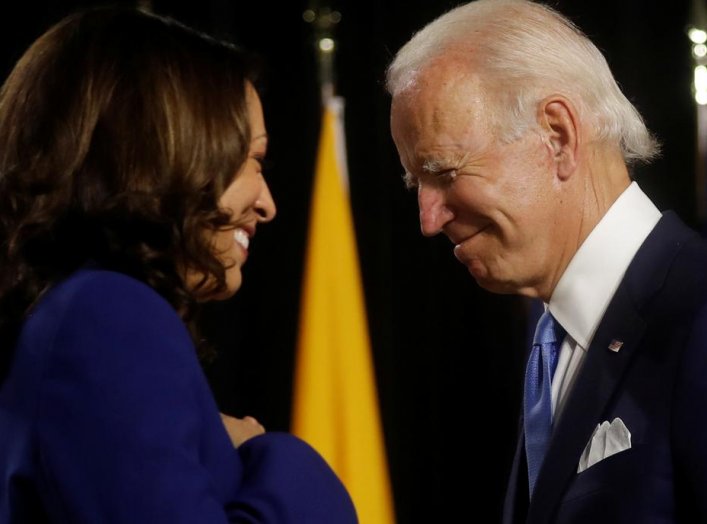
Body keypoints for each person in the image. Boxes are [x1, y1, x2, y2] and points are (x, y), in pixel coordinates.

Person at [0, 6, 357, 523]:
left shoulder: (63, 311)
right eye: (253, 160)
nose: (268, 203)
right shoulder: (107, 316)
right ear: (170, 151)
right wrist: (272, 457)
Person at [387, 0, 707, 522]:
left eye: (443, 171)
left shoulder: (696, 315)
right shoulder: (551, 341)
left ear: (557, 136)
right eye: (415, 183)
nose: (428, 218)